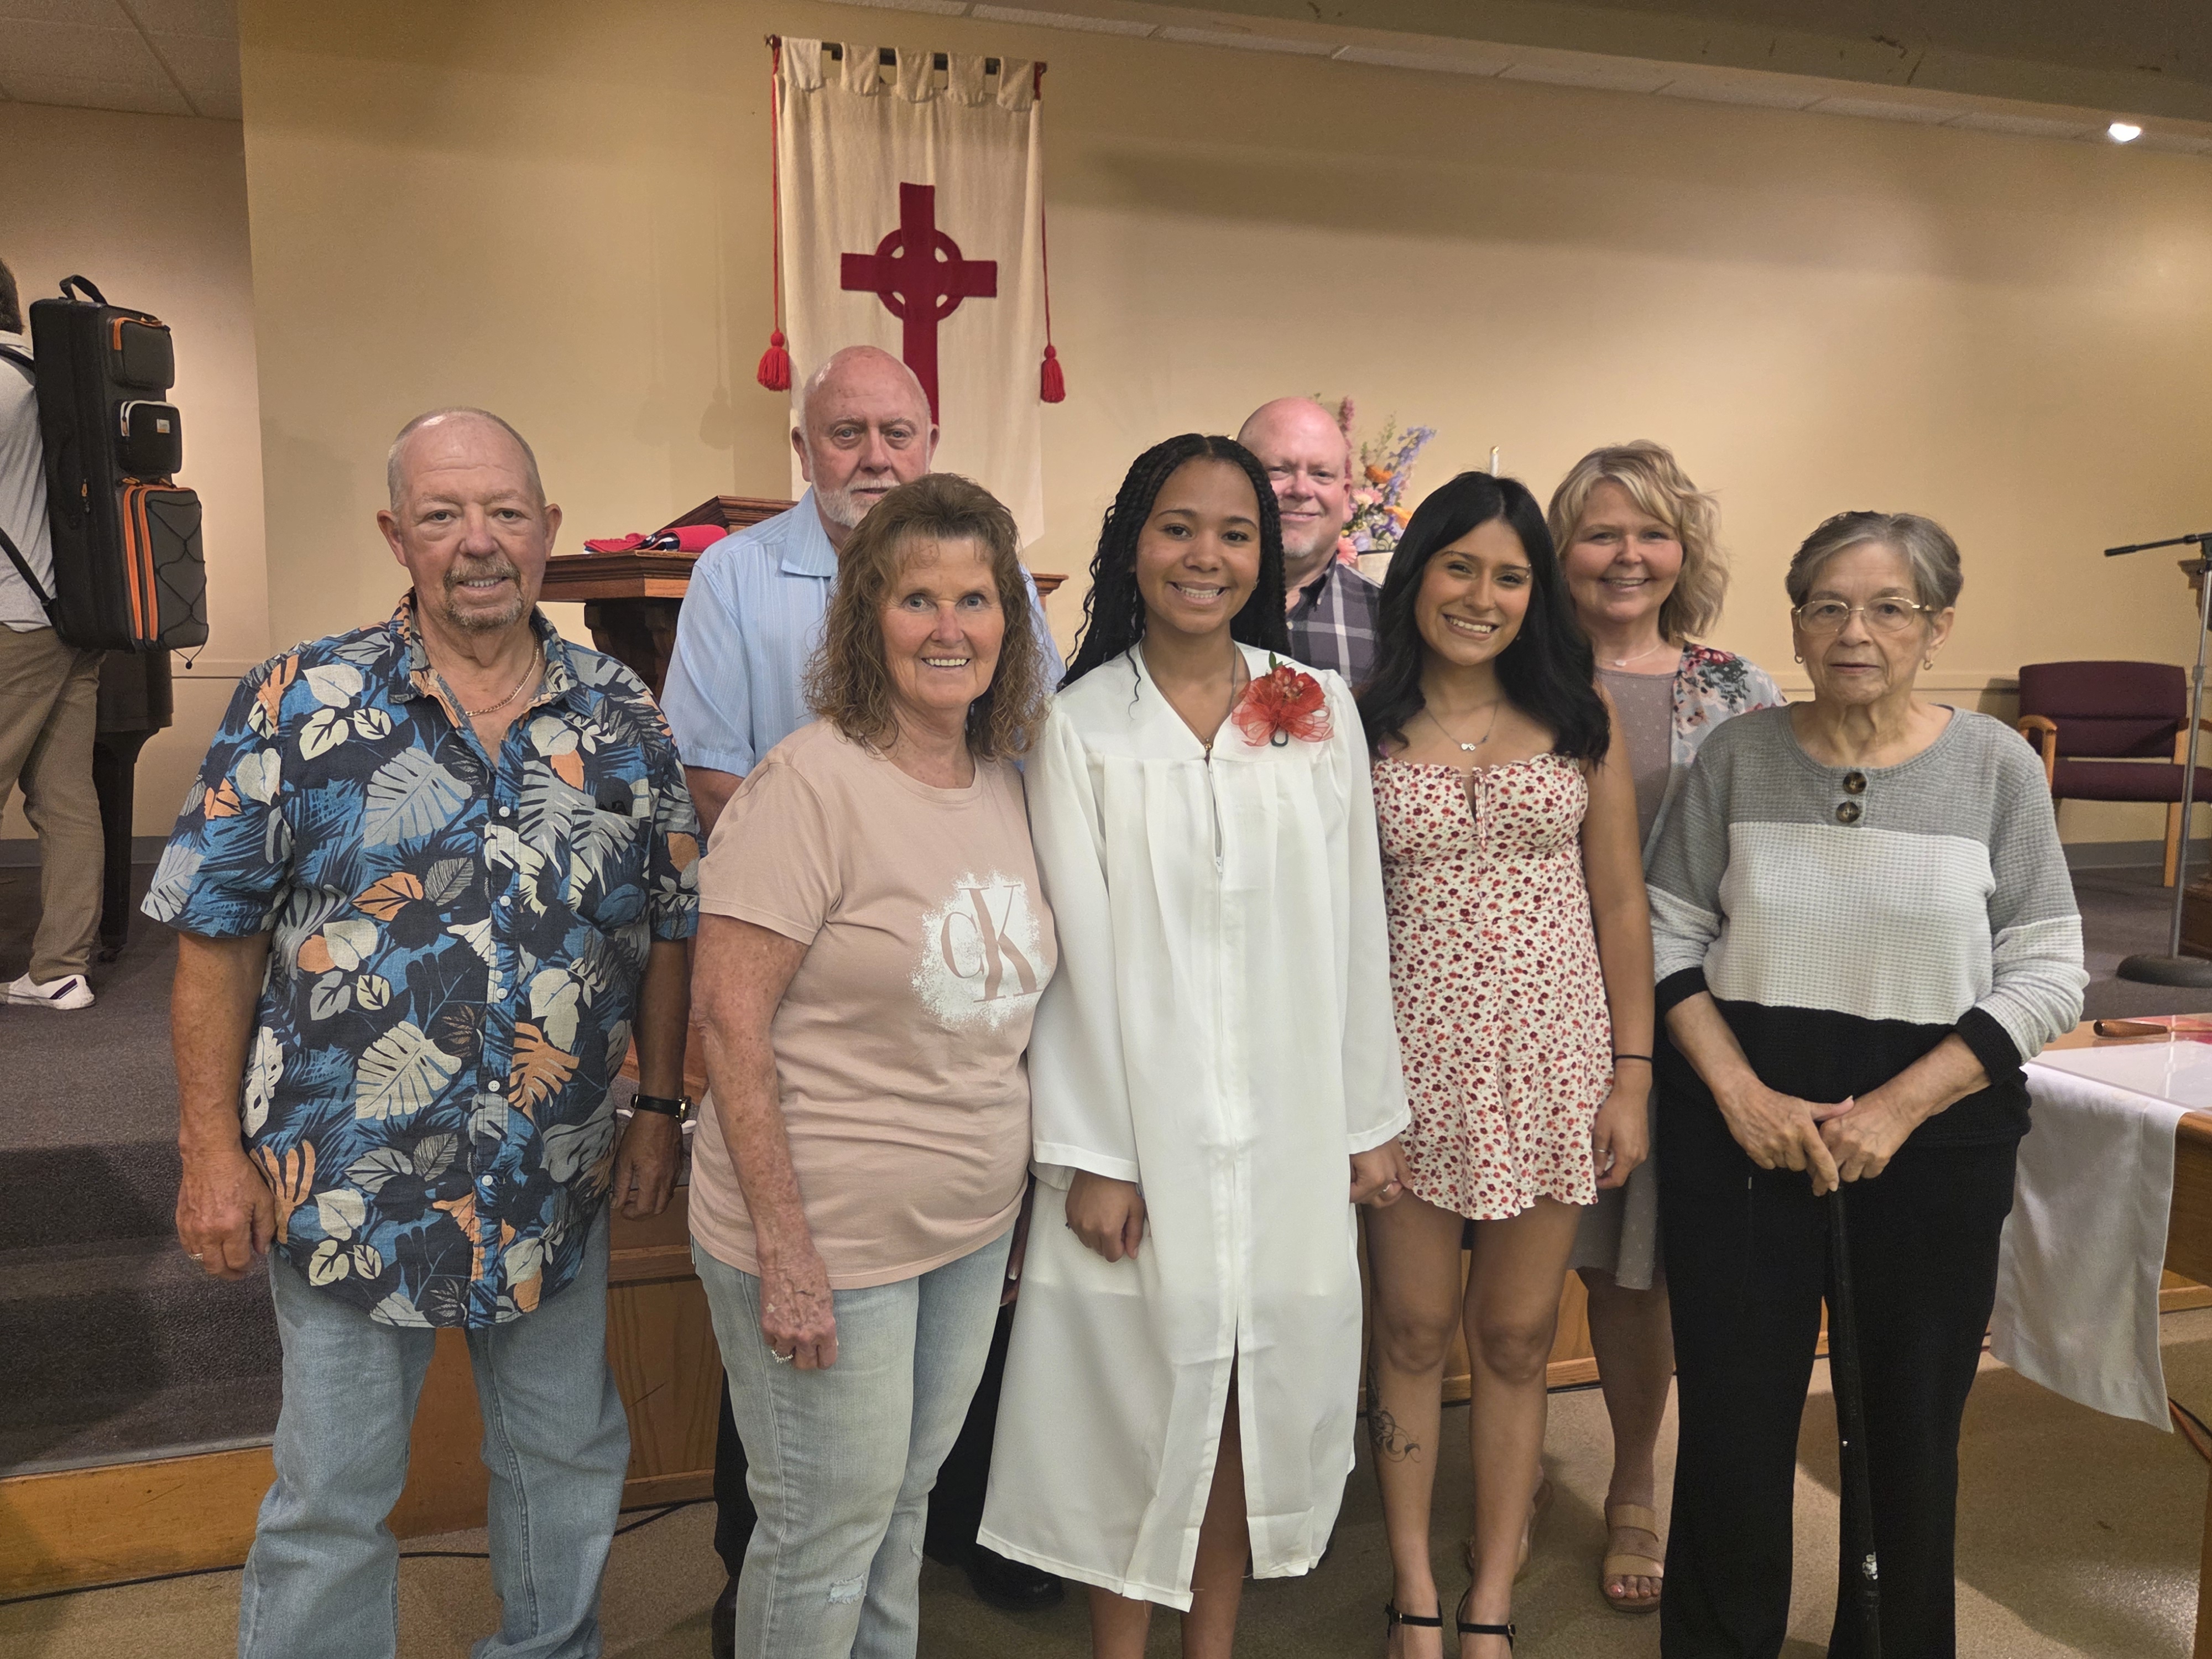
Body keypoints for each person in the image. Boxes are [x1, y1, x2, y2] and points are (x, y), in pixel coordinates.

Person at [151, 408, 698, 1658]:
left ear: (548, 529)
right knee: (333, 1491)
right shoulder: (299, 701)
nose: (478, 542)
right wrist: (207, 1150)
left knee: (565, 1455)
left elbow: (670, 923)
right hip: (349, 1183)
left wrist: (660, 1106)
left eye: (504, 511)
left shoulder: (622, 713)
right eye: (443, 515)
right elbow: (212, 936)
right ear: (397, 536)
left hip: (554, 1169)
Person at [979, 433, 1412, 1659]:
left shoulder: (1313, 709)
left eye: (1233, 533)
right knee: (1131, 1404)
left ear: (1264, 555)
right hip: (1144, 1129)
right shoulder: (1079, 729)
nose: (1204, 556)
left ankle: (1210, 1646)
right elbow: (1070, 959)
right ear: (1134, 544)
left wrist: (1365, 1117)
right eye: (1177, 527)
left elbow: (1356, 923)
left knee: (1243, 1405)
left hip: (1287, 1128)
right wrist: (1096, 1156)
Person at [659, 345, 1065, 1642]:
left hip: (963, 1223)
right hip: (828, 1229)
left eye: (974, 599)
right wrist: (785, 1247)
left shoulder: (1005, 780)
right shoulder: (807, 781)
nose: (948, 626)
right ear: (864, 620)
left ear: (1009, 621)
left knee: (898, 1508)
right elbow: (727, 1020)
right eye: (914, 599)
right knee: (822, 1528)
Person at [1647, 510, 2086, 1657]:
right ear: (1794, 624)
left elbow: (2050, 968)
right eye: (1827, 606)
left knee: (1907, 1428)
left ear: (1937, 628)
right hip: (1741, 1131)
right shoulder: (1738, 755)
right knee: (1734, 1421)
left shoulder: (1995, 766)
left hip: (1934, 1139)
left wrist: (1900, 1107)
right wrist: (1738, 1095)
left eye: (1890, 607)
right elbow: (1664, 932)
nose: (1855, 631)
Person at [1358, 471, 1654, 1658]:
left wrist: (1631, 1075)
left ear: (1537, 595)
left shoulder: (1578, 715)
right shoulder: (1360, 723)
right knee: (1411, 1332)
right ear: (1417, 575)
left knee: (1520, 1338)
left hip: (1551, 1066)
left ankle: (1490, 1591)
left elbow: (1620, 901)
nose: (1482, 596)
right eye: (1460, 567)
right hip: (1407, 1069)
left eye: (1511, 576)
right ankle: (1413, 1590)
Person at [1546, 441, 1782, 1614]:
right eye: (1600, 532)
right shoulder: (1520, 672)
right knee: (1580, 1269)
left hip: (1692, 1012)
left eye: (1650, 532)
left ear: (1683, 549)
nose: (1626, 555)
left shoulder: (1735, 688)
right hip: (1541, 1006)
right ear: (1561, 550)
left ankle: (1634, 1476)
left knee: (1649, 1262)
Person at [0, 254, 102, 1011]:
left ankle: (61, 967)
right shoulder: (57, 376)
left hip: (10, 622)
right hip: (76, 620)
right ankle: (61, 969)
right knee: (65, 798)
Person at [1238, 397, 1381, 684]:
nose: (1301, 490)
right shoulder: (1187, 605)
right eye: (1278, 470)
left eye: (1321, 474)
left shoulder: (1391, 619)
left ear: (1346, 497)